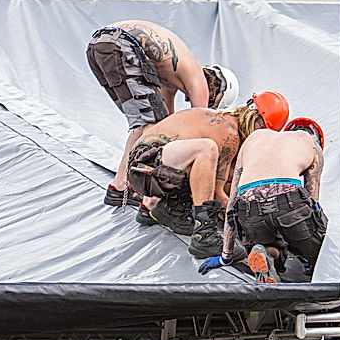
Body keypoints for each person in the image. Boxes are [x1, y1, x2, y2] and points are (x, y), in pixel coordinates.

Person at [86, 19, 239, 206]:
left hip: (100, 44)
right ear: (216, 93)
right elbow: (197, 130)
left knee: (144, 124)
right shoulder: (199, 82)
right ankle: (122, 187)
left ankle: (122, 185)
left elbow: (165, 126)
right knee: (148, 125)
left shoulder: (174, 76)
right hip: (122, 46)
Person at [126, 92, 290, 258]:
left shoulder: (230, 127)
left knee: (229, 173)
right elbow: (217, 193)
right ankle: (204, 236)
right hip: (144, 164)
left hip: (152, 167)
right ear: (258, 123)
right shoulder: (229, 131)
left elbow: (227, 184)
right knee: (206, 149)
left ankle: (171, 209)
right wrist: (253, 228)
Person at [198, 117, 327, 283]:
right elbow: (313, 202)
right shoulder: (312, 145)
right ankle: (312, 263)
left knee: (267, 242)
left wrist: (226, 256)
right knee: (317, 247)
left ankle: (265, 253)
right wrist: (314, 253)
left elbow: (232, 202)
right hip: (289, 202)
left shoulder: (255, 138)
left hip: (248, 206)